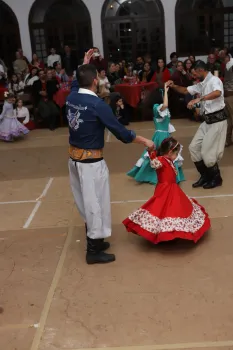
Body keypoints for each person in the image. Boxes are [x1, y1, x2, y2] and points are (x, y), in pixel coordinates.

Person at [67, 62, 154, 265]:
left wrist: (84, 64)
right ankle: (93, 250)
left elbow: (74, 84)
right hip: (91, 163)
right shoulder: (98, 105)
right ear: (95, 81)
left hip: (74, 160)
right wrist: (144, 140)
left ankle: (96, 241)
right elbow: (122, 133)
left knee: (87, 201)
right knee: (95, 203)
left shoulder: (72, 97)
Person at [123, 137, 210, 244]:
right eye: (176, 153)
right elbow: (154, 164)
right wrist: (151, 153)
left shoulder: (168, 160)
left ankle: (172, 232)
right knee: (162, 209)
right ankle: (165, 233)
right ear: (169, 152)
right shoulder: (161, 160)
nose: (177, 156)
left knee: (174, 209)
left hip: (173, 189)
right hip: (164, 190)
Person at [167, 60, 227, 189]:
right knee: (194, 148)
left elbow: (218, 93)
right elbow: (185, 90)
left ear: (200, 70)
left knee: (207, 154)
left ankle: (216, 178)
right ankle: (205, 176)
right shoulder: (202, 84)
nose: (193, 76)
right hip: (207, 121)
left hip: (217, 121)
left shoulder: (214, 80)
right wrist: (173, 86)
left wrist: (200, 98)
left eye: (194, 73)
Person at [127, 83, 184, 184]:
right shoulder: (156, 107)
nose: (165, 96)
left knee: (165, 155)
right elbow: (165, 104)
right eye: (164, 95)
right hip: (160, 136)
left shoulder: (162, 109)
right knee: (160, 155)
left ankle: (167, 175)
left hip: (165, 135)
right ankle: (157, 176)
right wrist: (166, 90)